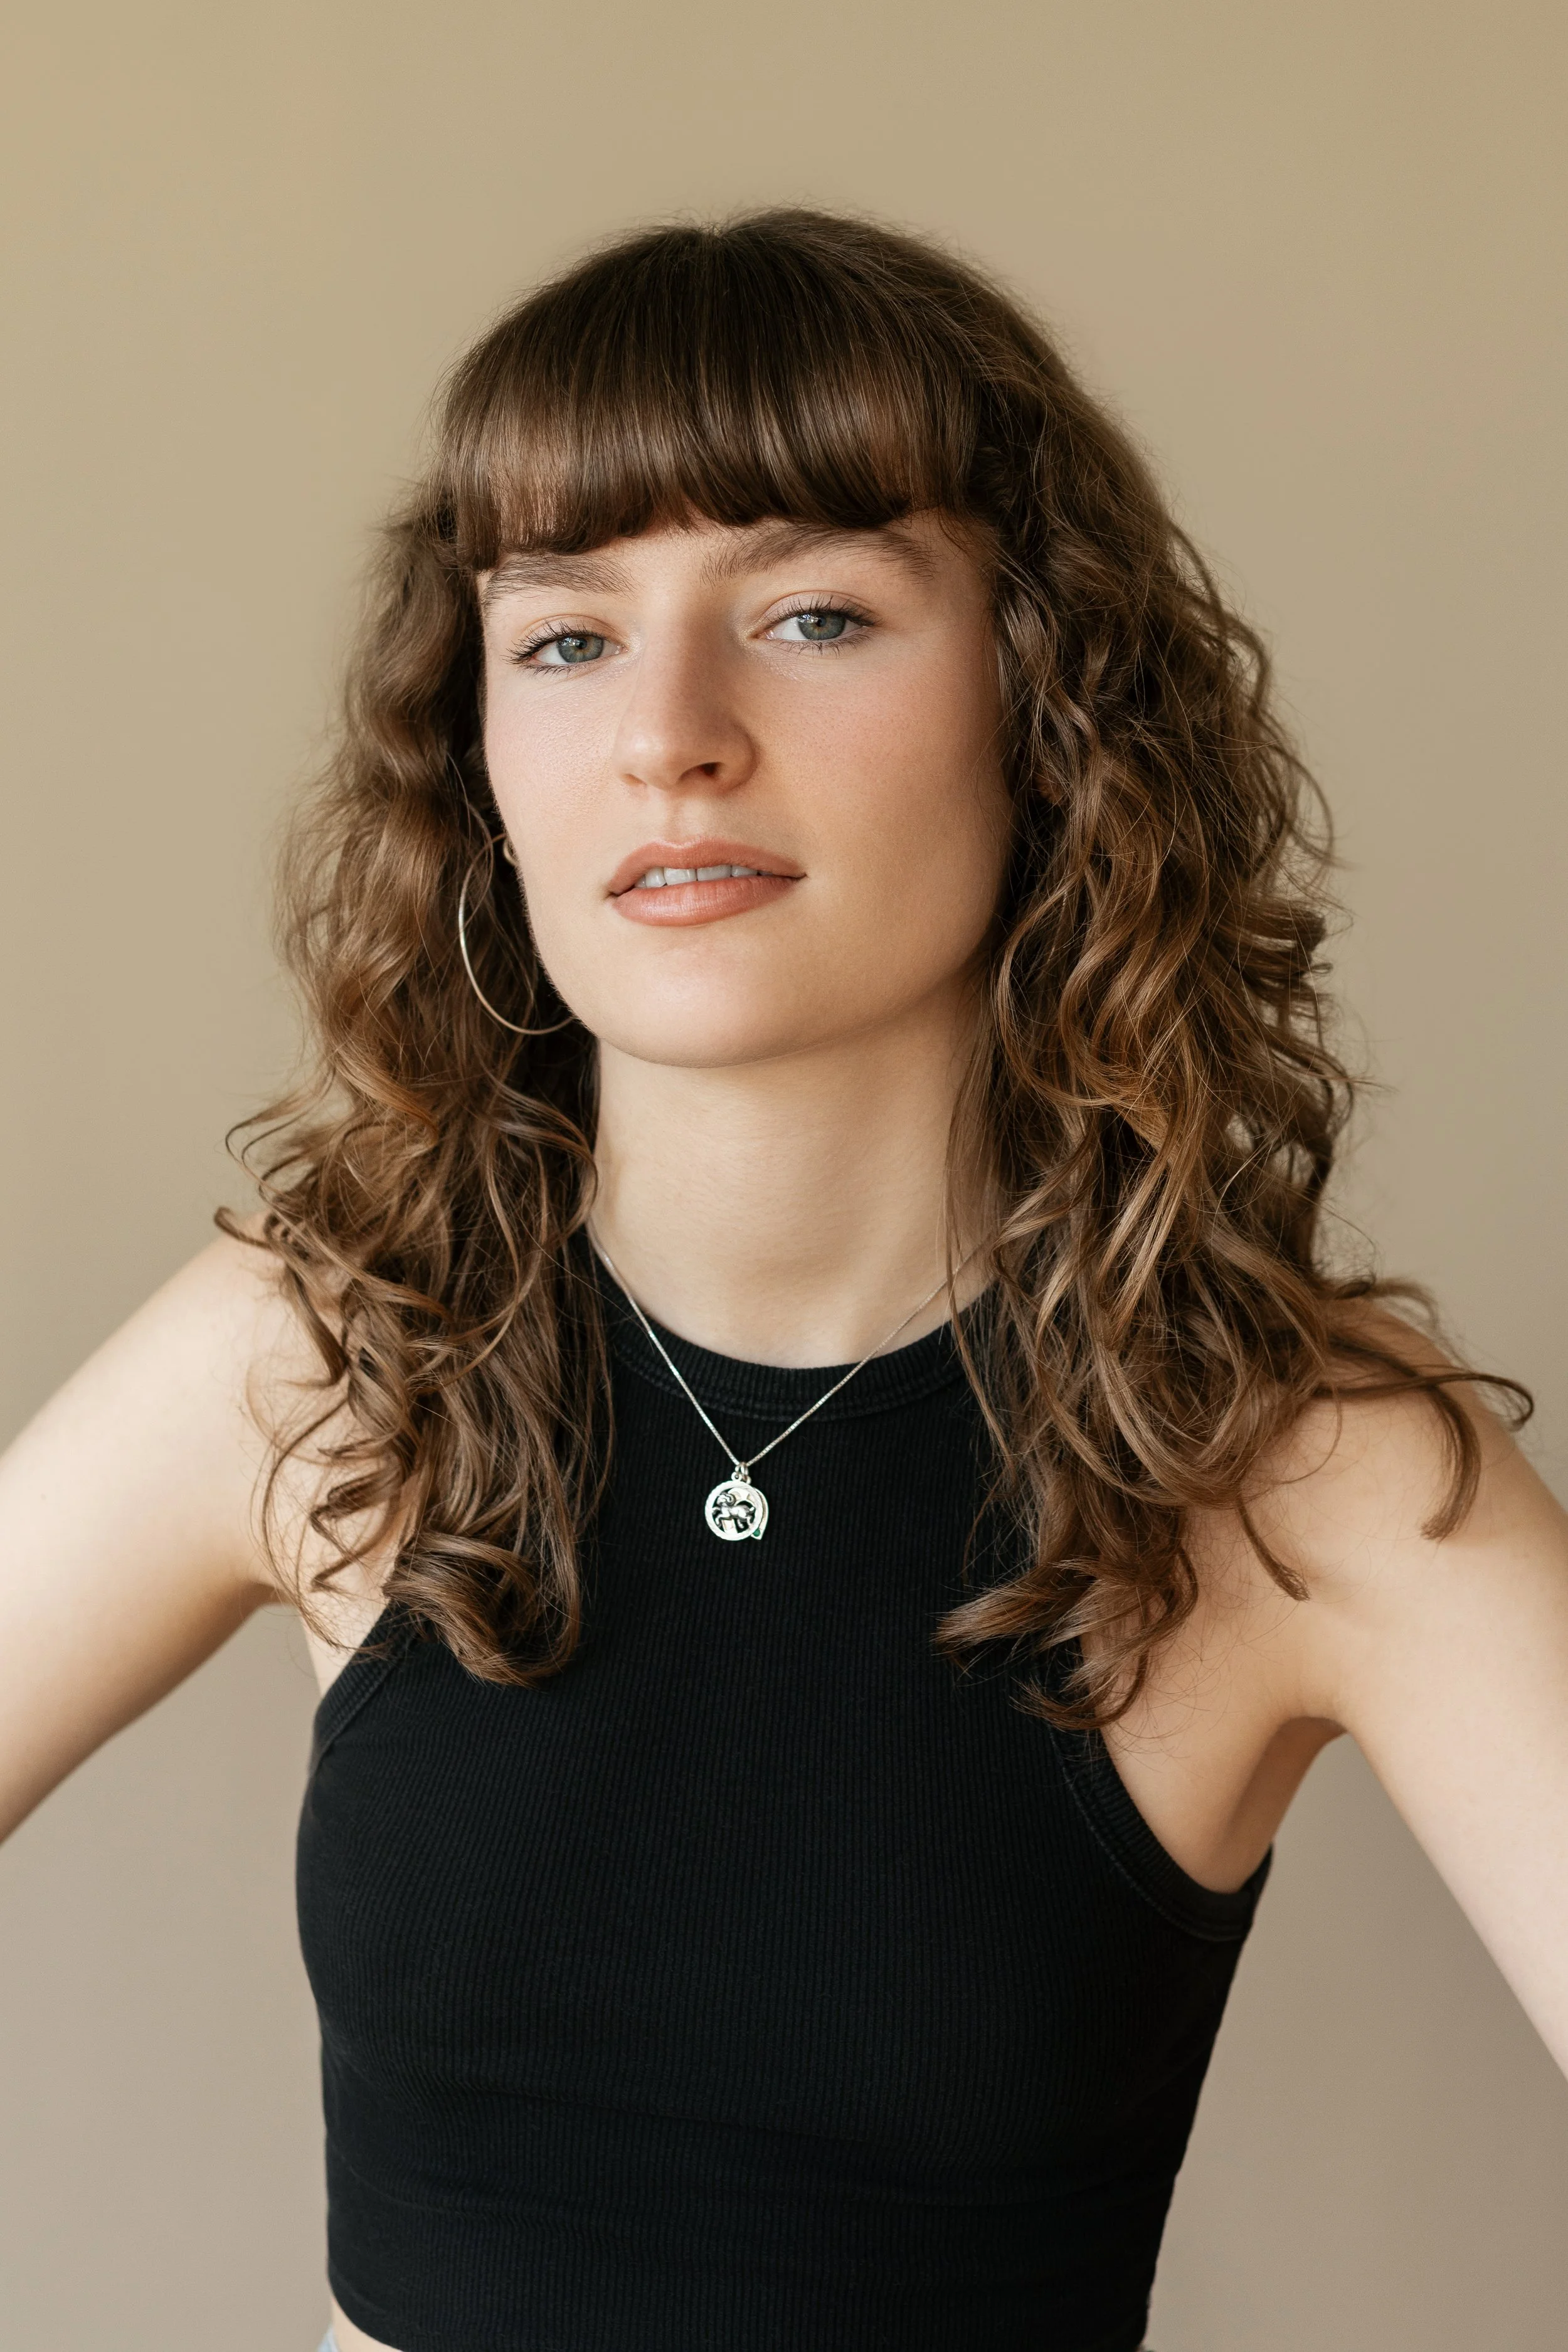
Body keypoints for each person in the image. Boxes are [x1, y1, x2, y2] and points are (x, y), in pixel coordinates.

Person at [2, 208, 1564, 2352]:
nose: (670, 732)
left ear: (1045, 695)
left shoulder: (1301, 1474)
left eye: (814, 610)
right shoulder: (319, 1355)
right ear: (475, 751)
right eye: (562, 637)